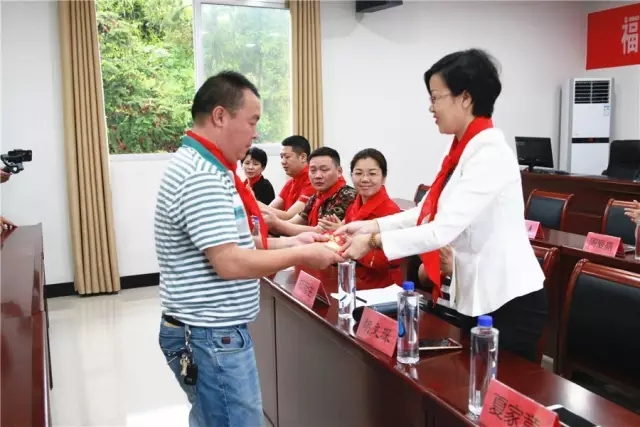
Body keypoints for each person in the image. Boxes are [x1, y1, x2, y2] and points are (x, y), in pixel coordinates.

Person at [154, 71, 344, 427]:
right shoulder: (202, 175)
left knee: (213, 418)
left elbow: (231, 241)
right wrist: (302, 254)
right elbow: (228, 261)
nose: (255, 133)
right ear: (220, 116)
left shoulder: (208, 166)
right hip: (210, 333)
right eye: (252, 121)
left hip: (209, 330)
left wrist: (292, 240)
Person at [337, 49, 547, 363]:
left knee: (493, 386)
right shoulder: (458, 150)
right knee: (467, 380)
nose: (431, 107)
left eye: (436, 97)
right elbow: (427, 212)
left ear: (465, 98)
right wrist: (370, 225)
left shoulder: (489, 153)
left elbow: (440, 230)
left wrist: (373, 241)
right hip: (476, 292)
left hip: (509, 297)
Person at [319, 148, 403, 290]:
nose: (364, 179)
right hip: (351, 276)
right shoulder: (354, 205)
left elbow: (390, 259)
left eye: (372, 173)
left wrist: (350, 245)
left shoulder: (391, 211)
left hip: (380, 286)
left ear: (383, 177)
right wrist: (337, 234)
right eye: (358, 173)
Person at [265, 147, 357, 236]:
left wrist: (277, 223)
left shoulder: (347, 195)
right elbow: (293, 223)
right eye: (313, 170)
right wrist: (269, 223)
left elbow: (320, 231)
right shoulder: (315, 197)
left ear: (339, 171)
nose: (318, 176)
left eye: (324, 170)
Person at [261, 135, 315, 220]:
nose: (283, 161)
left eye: (287, 157)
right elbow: (270, 209)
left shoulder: (313, 181)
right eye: (282, 157)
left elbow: (289, 216)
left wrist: (253, 201)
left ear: (303, 157)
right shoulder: (291, 181)